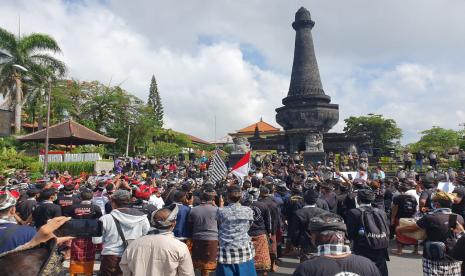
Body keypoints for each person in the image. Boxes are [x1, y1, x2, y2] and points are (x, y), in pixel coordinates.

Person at [292, 212, 381, 276]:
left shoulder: (306, 269)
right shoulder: (368, 265)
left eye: (311, 234)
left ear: (316, 236)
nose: (310, 237)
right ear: (342, 235)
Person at [398, 192, 464, 276]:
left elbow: (412, 228)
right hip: (452, 257)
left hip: (433, 257)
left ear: (437, 204)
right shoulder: (459, 217)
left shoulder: (430, 217)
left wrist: (399, 228)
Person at [119, 204, 195, 276]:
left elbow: (125, 270)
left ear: (151, 222)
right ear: (174, 224)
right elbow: (187, 273)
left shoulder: (133, 244)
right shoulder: (180, 247)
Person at [98, 190, 150, 276]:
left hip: (111, 257)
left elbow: (96, 240)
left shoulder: (105, 219)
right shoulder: (142, 217)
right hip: (132, 256)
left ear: (113, 203)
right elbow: (145, 233)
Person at [347, 189, 389, 276]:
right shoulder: (381, 212)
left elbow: (350, 234)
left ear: (358, 199)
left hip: (362, 248)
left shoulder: (354, 212)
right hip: (380, 247)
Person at [216, 185, 256, 276]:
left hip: (226, 248)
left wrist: (221, 206)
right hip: (243, 248)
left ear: (227, 197)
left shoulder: (221, 211)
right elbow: (249, 226)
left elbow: (219, 225)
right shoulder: (248, 210)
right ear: (241, 196)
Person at [68, 190, 103, 276]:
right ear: (91, 197)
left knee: (75, 253)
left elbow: (69, 218)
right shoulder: (96, 207)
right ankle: (88, 272)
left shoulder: (73, 207)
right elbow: (99, 219)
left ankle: (73, 272)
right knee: (89, 253)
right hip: (90, 234)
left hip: (76, 233)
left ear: (80, 197)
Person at [289, 188, 327, 262]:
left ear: (304, 200)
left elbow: (295, 231)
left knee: (305, 264)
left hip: (304, 242)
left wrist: (295, 243)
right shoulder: (323, 212)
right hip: (320, 241)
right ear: (316, 200)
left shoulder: (298, 213)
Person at [187, 189, 219, 276]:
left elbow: (190, 225)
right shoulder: (217, 210)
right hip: (212, 240)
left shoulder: (193, 210)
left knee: (195, 262)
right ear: (212, 199)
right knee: (207, 267)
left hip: (197, 238)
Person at [391, 182, 419, 255]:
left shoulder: (397, 198)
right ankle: (415, 250)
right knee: (413, 233)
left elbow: (395, 209)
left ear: (400, 190)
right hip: (411, 217)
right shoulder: (413, 198)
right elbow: (415, 208)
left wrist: (392, 218)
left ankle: (399, 251)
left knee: (399, 232)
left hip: (400, 218)